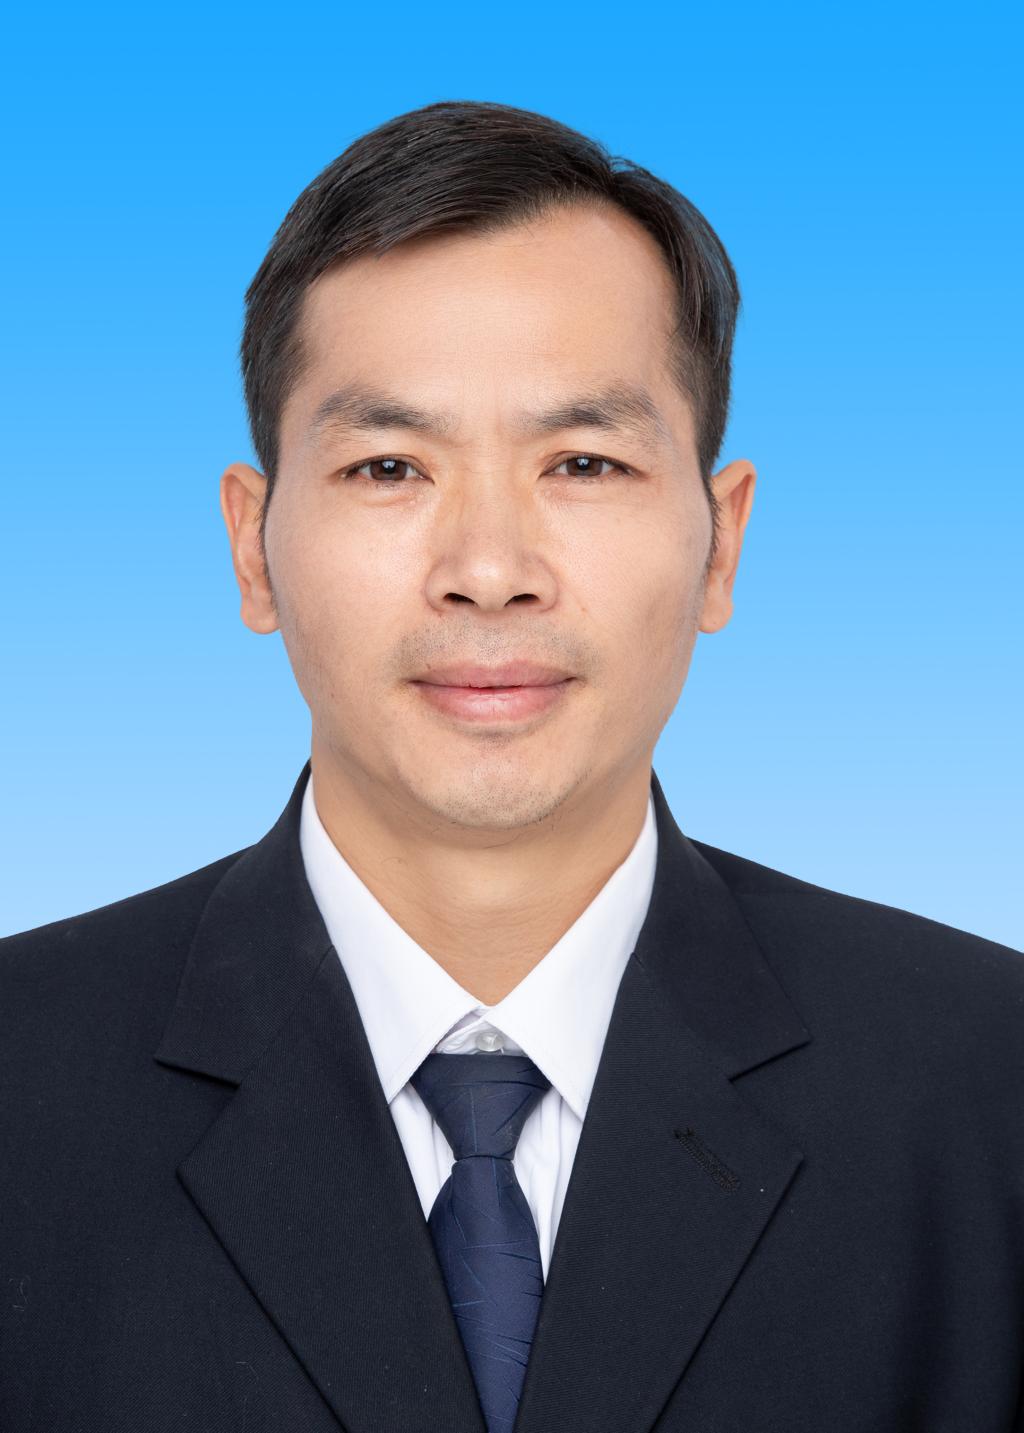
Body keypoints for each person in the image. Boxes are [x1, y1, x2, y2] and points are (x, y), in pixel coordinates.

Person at [1, 99, 1021, 1433]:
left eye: (582, 461)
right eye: (389, 466)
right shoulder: (21, 1081)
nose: (488, 570)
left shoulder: (988, 1081)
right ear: (253, 548)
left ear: (721, 542)